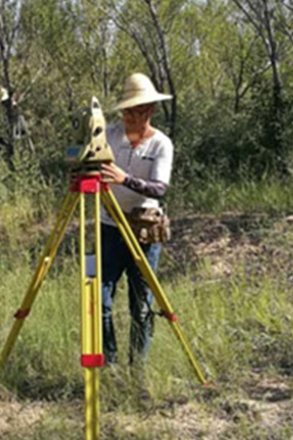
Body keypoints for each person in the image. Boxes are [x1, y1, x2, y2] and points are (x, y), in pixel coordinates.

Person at [99, 73, 174, 366]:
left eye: (138, 111)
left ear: (150, 110)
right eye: (127, 111)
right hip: (109, 227)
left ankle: (137, 370)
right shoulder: (108, 135)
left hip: (144, 232)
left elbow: (159, 188)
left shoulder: (161, 144)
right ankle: (110, 365)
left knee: (141, 305)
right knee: (100, 301)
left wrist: (125, 179)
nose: (131, 117)